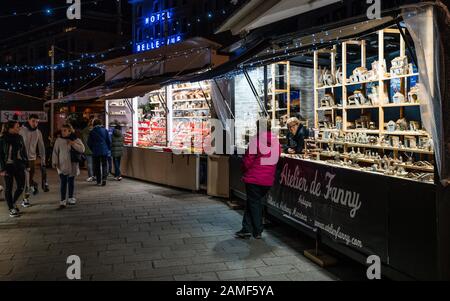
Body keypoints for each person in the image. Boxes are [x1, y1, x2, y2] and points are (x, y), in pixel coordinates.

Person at [236, 119, 281, 239]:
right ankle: (246, 228)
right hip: (267, 179)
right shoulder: (276, 140)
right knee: (253, 202)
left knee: (254, 203)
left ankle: (257, 231)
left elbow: (248, 160)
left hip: (254, 178)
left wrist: (244, 168)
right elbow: (277, 157)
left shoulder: (256, 140)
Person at [52, 123, 85, 208]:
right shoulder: (59, 140)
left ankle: (70, 198)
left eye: (65, 130)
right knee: (63, 182)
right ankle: (62, 200)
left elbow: (82, 149)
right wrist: (55, 162)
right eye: (62, 130)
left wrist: (73, 143)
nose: (63, 132)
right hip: (62, 164)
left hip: (73, 164)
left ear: (70, 131)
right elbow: (55, 152)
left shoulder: (75, 139)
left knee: (71, 182)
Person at [0, 121, 29, 217]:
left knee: (21, 186)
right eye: (17, 127)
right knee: (9, 188)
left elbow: (23, 151)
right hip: (7, 166)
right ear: (10, 128)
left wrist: (26, 163)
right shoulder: (2, 139)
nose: (19, 128)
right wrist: (2, 169)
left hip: (19, 165)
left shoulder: (19, 137)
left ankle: (12, 203)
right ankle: (11, 208)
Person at [19, 114, 46, 207]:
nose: (35, 123)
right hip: (21, 159)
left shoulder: (38, 132)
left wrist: (43, 160)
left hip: (32, 159)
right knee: (25, 180)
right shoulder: (21, 130)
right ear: (29, 120)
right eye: (33, 121)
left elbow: (41, 147)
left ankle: (32, 187)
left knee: (29, 179)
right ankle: (25, 199)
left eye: (37, 121)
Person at [87, 119, 111, 186]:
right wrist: (108, 149)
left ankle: (98, 181)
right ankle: (104, 179)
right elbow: (108, 141)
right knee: (104, 165)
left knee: (97, 166)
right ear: (101, 123)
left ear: (94, 124)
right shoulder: (105, 131)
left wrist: (92, 149)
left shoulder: (92, 132)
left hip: (96, 151)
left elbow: (89, 143)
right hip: (104, 150)